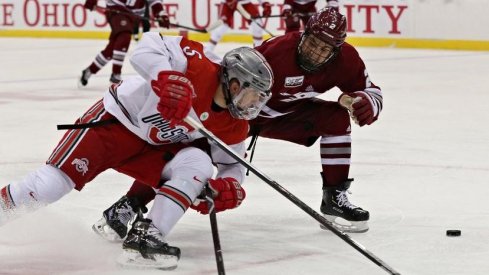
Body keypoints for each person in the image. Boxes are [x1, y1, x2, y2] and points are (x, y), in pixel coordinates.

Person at [92, 7, 382, 236]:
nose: (316, 52)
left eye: (325, 48)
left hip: (288, 115)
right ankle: (128, 205)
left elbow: (372, 91)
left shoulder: (347, 60)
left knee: (336, 119)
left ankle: (334, 196)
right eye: (313, 43)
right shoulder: (276, 54)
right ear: (304, 36)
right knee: (195, 156)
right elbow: (231, 88)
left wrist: (367, 103)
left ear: (336, 50)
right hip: (242, 114)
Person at [0, 32, 274, 270]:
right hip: (116, 123)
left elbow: (233, 164)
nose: (255, 104)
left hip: (152, 149)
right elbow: (147, 46)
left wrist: (227, 186)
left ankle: (146, 236)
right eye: (255, 95)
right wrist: (165, 78)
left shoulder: (235, 125)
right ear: (235, 84)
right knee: (50, 185)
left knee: (199, 163)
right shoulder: (195, 65)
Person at [78, 0, 170, 87]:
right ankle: (116, 75)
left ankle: (90, 70)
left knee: (111, 49)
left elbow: (154, 1)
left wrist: (161, 14)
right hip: (116, 8)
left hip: (133, 16)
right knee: (124, 37)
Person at [205, 0, 272, 52]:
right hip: (228, 2)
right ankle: (207, 51)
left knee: (257, 25)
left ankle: (258, 51)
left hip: (245, 2)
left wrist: (265, 3)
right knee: (223, 26)